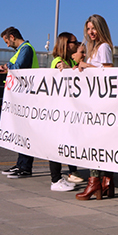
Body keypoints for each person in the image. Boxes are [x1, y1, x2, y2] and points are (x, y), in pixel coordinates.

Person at [75, 14, 115, 200]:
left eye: (94, 28)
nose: (91, 32)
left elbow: (107, 72)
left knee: (95, 143)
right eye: (88, 29)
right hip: (94, 101)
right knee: (98, 143)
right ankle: (104, 181)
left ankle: (95, 182)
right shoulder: (94, 48)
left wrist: (87, 65)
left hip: (101, 103)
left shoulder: (104, 47)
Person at [0, 26, 39, 179]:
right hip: (21, 97)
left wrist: (7, 66)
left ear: (12, 37)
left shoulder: (25, 49)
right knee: (21, 133)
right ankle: (21, 164)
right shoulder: (20, 51)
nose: (7, 45)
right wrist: (6, 69)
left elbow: (18, 68)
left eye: (7, 41)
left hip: (27, 97)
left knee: (25, 133)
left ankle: (25, 167)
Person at [48, 32, 83, 191]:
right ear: (65, 44)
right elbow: (62, 74)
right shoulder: (58, 61)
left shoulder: (69, 61)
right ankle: (55, 180)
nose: (77, 45)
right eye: (74, 42)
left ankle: (68, 174)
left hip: (67, 111)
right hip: (59, 112)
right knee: (56, 145)